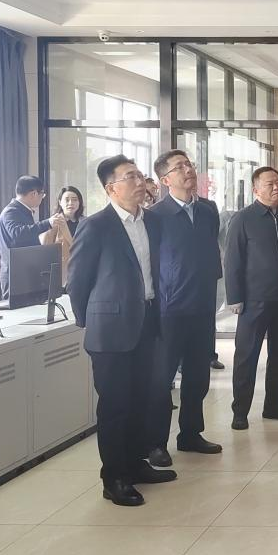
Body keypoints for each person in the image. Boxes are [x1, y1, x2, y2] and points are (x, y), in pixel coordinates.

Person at [67, 154, 173, 507]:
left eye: (140, 175)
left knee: (142, 398)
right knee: (115, 405)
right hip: (110, 329)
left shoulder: (152, 221)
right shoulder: (96, 226)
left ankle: (136, 464)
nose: (140, 182)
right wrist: (91, 320)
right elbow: (77, 281)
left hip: (148, 320)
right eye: (131, 177)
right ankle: (114, 478)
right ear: (111, 188)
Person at [145, 149, 223, 465]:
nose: (188, 170)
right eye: (179, 167)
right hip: (169, 310)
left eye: (189, 164)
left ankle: (190, 434)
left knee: (198, 376)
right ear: (165, 180)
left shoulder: (208, 210)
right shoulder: (154, 216)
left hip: (202, 307)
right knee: (162, 379)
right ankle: (156, 443)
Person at [223, 166, 278, 427]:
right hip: (254, 300)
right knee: (246, 355)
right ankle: (240, 411)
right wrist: (235, 297)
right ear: (255, 189)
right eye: (270, 183)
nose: (276, 187)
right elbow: (232, 260)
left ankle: (274, 404)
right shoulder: (243, 219)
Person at [0, 176, 59, 297]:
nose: (42, 198)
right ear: (34, 194)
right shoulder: (12, 211)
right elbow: (17, 234)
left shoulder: (21, 210)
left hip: (23, 271)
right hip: (15, 274)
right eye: (42, 195)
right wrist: (47, 223)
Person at [40, 186, 85, 269]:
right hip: (62, 270)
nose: (71, 203)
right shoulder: (53, 223)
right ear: (60, 202)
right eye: (67, 200)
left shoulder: (86, 222)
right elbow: (45, 252)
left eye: (75, 200)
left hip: (83, 268)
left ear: (79, 202)